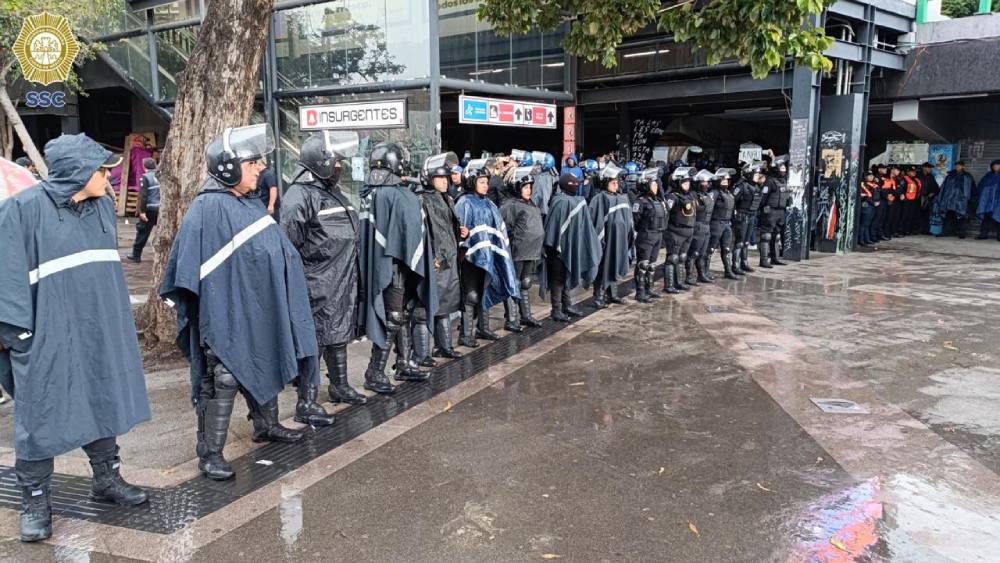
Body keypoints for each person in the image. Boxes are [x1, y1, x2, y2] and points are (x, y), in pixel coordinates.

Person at [1, 134, 151, 542]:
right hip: (46, 333)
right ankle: (34, 500)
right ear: (77, 172)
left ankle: (106, 478)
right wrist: (19, 336)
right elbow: (6, 277)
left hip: (97, 328)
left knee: (101, 397)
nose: (109, 175)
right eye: (102, 169)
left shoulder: (101, 207)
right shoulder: (20, 211)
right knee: (40, 416)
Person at [161, 125, 329, 483]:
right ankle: (210, 454)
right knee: (222, 375)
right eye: (253, 163)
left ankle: (266, 425)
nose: (261, 168)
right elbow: (187, 274)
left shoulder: (247, 204)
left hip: (258, 307)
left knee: (266, 350)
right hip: (225, 315)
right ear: (228, 167)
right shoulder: (206, 210)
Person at [280, 133, 367, 407]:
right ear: (321, 162)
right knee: (314, 340)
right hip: (316, 281)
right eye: (336, 161)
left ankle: (339, 386)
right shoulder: (300, 195)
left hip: (341, 278)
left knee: (338, 333)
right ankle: (306, 401)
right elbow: (288, 244)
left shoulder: (332, 191)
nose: (340, 166)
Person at [358, 142, 437, 394]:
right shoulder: (393, 194)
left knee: (401, 313)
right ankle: (375, 371)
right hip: (392, 265)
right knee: (393, 316)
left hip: (394, 263)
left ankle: (403, 362)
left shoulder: (372, 193)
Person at [455, 165, 519, 344]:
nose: (485, 185)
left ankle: (483, 328)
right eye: (481, 182)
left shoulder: (490, 203)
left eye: (486, 182)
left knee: (484, 291)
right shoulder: (464, 202)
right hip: (470, 258)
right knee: (471, 295)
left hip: (487, 256)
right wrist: (462, 251)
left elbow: (498, 229)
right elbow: (460, 230)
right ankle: (465, 335)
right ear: (471, 182)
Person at [417, 154, 466, 359]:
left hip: (448, 258)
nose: (445, 181)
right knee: (426, 308)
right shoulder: (423, 200)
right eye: (440, 178)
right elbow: (424, 233)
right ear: (429, 179)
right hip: (435, 261)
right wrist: (432, 258)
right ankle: (422, 354)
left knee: (445, 304)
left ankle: (444, 346)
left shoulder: (447, 199)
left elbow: (446, 230)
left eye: (447, 178)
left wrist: (461, 232)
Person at [540, 173, 600, 321]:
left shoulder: (577, 201)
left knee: (565, 275)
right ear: (568, 185)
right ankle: (556, 309)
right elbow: (554, 228)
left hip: (569, 246)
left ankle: (567, 305)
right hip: (556, 248)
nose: (577, 186)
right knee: (557, 278)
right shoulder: (560, 202)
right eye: (575, 184)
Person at [500, 166, 545, 328]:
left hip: (531, 251)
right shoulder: (510, 206)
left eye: (530, 187)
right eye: (525, 187)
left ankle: (526, 315)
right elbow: (504, 228)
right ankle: (511, 319)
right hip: (517, 251)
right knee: (514, 283)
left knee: (525, 282)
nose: (529, 190)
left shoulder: (530, 203)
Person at [589, 163, 634, 308]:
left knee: (615, 263)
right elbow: (594, 222)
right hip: (606, 240)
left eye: (617, 181)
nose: (616, 184)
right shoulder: (599, 198)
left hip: (619, 239)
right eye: (612, 181)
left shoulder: (622, 197)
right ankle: (598, 296)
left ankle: (612, 294)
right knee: (603, 267)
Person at [631, 168, 668, 302]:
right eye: (653, 185)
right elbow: (635, 220)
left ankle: (650, 288)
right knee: (643, 265)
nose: (656, 187)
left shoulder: (658, 200)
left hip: (657, 234)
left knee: (652, 265)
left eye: (656, 184)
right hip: (646, 235)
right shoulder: (640, 201)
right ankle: (640, 292)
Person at [662, 167, 699, 293]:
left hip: (688, 231)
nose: (687, 185)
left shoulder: (690, 196)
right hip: (675, 231)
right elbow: (666, 210)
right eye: (684, 182)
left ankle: (680, 282)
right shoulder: (672, 196)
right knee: (673, 258)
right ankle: (669, 285)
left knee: (682, 257)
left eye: (688, 182)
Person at [731, 163, 763, 276]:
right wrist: (734, 216)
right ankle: (735, 265)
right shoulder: (741, 186)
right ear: (749, 174)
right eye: (755, 173)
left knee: (746, 242)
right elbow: (732, 200)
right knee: (739, 242)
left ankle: (744, 263)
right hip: (742, 216)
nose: (757, 175)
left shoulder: (757, 187)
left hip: (751, 216)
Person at [758, 157, 791, 268]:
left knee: (776, 236)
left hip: (780, 212)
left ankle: (775, 258)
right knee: (766, 236)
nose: (784, 169)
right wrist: (764, 210)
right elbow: (763, 197)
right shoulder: (770, 181)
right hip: (770, 211)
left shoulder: (784, 181)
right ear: (776, 169)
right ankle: (763, 260)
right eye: (781, 168)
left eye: (784, 167)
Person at [685, 169, 716, 284]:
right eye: (704, 182)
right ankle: (688, 276)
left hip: (707, 225)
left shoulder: (707, 194)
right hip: (697, 225)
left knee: (703, 253)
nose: (706, 184)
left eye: (707, 182)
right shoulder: (693, 195)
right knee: (694, 253)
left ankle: (701, 274)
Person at [126, 157, 160, 262]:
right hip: (160, 208)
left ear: (144, 166)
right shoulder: (160, 176)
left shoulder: (145, 178)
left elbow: (144, 195)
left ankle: (136, 255)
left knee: (142, 232)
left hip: (149, 209)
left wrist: (142, 211)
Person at [707, 168, 738, 279]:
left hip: (727, 224)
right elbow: (708, 208)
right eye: (723, 180)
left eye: (726, 180)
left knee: (726, 249)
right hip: (716, 223)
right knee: (710, 249)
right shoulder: (714, 193)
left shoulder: (729, 193)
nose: (725, 182)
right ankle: (705, 272)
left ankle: (728, 271)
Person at [936, 161, 976, 239]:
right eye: (956, 165)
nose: (957, 167)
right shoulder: (950, 176)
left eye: (959, 166)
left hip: (962, 201)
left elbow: (972, 188)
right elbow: (944, 188)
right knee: (948, 216)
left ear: (963, 167)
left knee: (962, 216)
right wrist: (942, 198)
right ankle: (946, 232)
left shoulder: (968, 176)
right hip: (949, 200)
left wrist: (971, 199)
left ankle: (962, 233)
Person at [976, 160, 1000, 241]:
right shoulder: (988, 175)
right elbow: (981, 186)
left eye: (997, 165)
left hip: (998, 201)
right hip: (986, 201)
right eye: (994, 165)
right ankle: (983, 234)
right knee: (986, 218)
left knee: (998, 217)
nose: (995, 167)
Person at [858, 170, 880, 247]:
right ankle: (861, 240)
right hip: (867, 205)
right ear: (865, 176)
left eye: (872, 176)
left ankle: (866, 239)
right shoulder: (863, 184)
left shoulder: (874, 184)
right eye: (869, 175)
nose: (871, 177)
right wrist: (873, 202)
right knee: (864, 224)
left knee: (868, 224)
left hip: (873, 206)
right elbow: (865, 196)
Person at [918, 162, 940, 234]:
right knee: (917, 214)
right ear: (924, 168)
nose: (930, 169)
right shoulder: (918, 176)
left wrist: (932, 193)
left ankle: (925, 230)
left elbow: (936, 188)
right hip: (918, 198)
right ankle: (917, 229)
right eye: (929, 168)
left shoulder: (931, 176)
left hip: (927, 198)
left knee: (926, 214)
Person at [900, 166, 922, 235]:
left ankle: (908, 230)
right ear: (908, 172)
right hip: (906, 201)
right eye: (912, 171)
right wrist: (902, 194)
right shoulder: (904, 179)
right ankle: (901, 231)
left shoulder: (916, 180)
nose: (914, 173)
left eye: (915, 172)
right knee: (904, 216)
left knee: (911, 216)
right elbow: (901, 188)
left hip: (914, 201)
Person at [872, 164, 891, 241]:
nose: (886, 170)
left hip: (884, 200)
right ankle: (873, 235)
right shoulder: (876, 178)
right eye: (884, 168)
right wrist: (887, 196)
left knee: (882, 218)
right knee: (877, 218)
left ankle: (879, 234)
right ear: (879, 169)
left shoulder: (884, 178)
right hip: (879, 200)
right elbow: (879, 189)